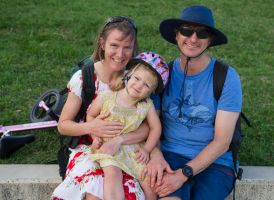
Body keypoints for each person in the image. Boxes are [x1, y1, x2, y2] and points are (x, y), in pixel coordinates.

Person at [142, 5, 242, 200]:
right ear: (177, 35)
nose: (193, 39)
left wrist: (183, 174)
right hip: (170, 155)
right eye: (187, 31)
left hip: (216, 163)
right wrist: (155, 155)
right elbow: (149, 123)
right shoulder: (162, 75)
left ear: (210, 40)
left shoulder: (226, 77)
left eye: (202, 33)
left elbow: (222, 142)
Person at [52, 16, 151, 200]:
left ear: (134, 48)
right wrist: (91, 127)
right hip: (89, 149)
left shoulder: (137, 80)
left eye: (127, 47)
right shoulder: (85, 78)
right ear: (102, 44)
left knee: (130, 192)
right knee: (95, 188)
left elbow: (147, 126)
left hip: (126, 152)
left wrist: (120, 139)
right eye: (114, 45)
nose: (120, 54)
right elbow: (63, 125)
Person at [87, 51, 169, 200]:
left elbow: (156, 128)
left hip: (134, 150)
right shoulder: (107, 97)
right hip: (108, 147)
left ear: (151, 92)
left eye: (146, 85)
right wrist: (94, 136)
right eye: (137, 78)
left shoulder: (146, 105)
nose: (138, 85)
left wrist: (147, 149)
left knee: (148, 180)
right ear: (129, 75)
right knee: (113, 173)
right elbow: (91, 115)